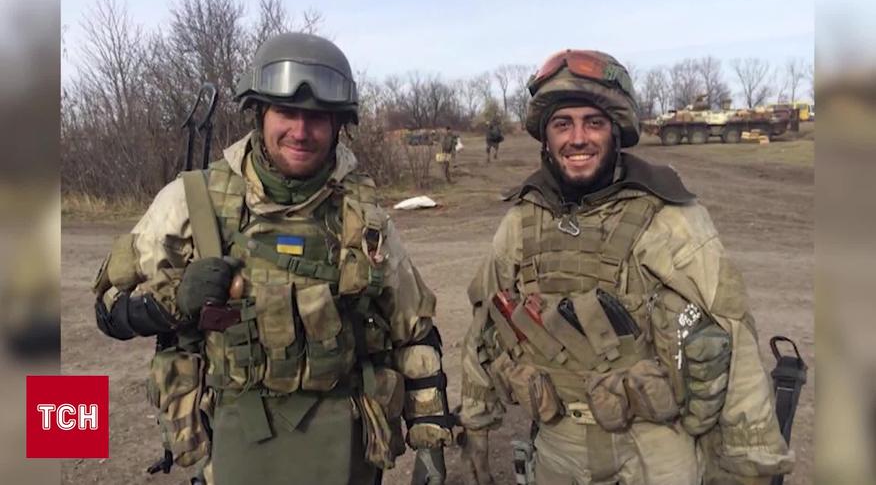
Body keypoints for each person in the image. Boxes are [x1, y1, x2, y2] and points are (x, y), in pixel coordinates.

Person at [92, 32, 452, 485]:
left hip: (343, 448)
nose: (300, 131)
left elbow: (414, 332)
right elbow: (108, 308)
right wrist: (173, 301)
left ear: (337, 125)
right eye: (286, 112)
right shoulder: (191, 203)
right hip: (233, 443)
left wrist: (430, 442)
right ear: (260, 113)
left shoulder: (365, 217)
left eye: (317, 117)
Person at [458, 49, 794, 484]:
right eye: (563, 124)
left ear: (616, 131)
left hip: (655, 445)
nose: (578, 138)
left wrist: (751, 461)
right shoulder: (521, 222)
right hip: (559, 442)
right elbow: (484, 325)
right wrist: (476, 427)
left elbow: (734, 333)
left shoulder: (669, 216)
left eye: (593, 123)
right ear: (547, 138)